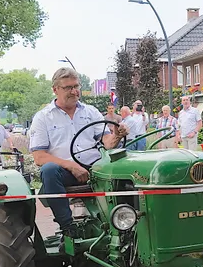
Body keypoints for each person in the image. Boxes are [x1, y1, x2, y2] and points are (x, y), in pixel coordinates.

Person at [29, 67, 128, 236]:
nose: (74, 91)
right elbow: (39, 157)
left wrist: (117, 136)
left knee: (125, 166)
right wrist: (71, 166)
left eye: (76, 86)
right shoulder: (43, 117)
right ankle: (68, 228)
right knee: (48, 170)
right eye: (68, 88)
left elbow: (108, 143)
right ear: (55, 90)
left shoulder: (90, 112)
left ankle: (124, 221)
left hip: (95, 167)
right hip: (64, 171)